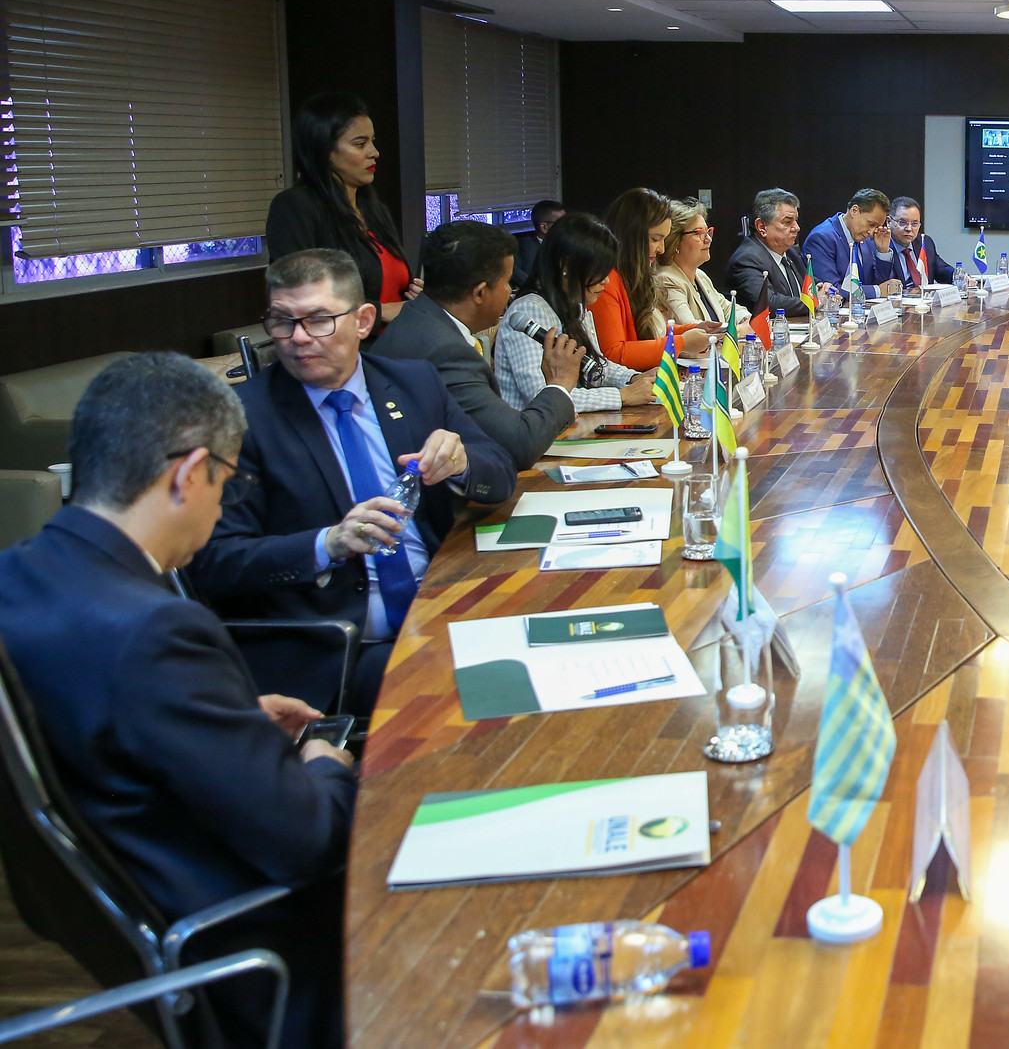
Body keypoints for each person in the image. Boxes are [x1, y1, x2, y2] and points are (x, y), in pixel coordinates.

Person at [0, 354, 356, 1049]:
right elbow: (309, 837)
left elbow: (101, 722)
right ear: (190, 473)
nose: (224, 504)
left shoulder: (18, 575)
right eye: (228, 480)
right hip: (275, 948)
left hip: (143, 913)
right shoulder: (157, 628)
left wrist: (224, 718)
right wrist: (325, 758)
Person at [188, 249, 517, 714]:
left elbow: (500, 469)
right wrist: (328, 543)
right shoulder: (239, 418)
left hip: (447, 605)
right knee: (481, 690)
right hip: (340, 646)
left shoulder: (413, 383)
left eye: (319, 320)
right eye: (282, 322)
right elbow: (215, 561)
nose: (298, 339)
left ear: (363, 321)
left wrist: (462, 463)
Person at [376, 221, 580, 472]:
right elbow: (518, 445)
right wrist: (559, 384)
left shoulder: (417, 319)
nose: (509, 292)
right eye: (507, 283)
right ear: (480, 293)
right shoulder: (445, 351)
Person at [265, 92, 421, 327]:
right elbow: (299, 298)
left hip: (396, 347)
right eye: (360, 144)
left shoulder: (374, 208)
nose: (374, 152)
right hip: (343, 353)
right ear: (324, 150)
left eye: (373, 141)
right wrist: (383, 311)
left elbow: (391, 286)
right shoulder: (295, 207)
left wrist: (416, 296)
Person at [497, 212, 657, 413]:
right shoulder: (529, 310)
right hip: (538, 437)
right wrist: (622, 396)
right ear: (566, 265)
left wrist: (634, 379)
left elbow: (596, 367)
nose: (606, 281)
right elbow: (542, 396)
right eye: (599, 271)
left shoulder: (575, 303)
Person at [592, 187, 709, 369]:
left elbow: (653, 332)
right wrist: (681, 342)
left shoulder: (637, 274)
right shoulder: (604, 282)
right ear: (631, 237)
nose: (661, 249)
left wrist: (695, 330)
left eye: (663, 239)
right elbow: (613, 354)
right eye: (655, 239)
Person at [725, 188, 812, 316]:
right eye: (787, 222)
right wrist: (815, 301)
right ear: (761, 227)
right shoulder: (747, 258)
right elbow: (769, 303)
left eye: (796, 221)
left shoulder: (790, 252)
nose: (796, 228)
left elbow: (807, 280)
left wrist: (822, 286)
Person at [653, 197, 731, 333]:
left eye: (707, 232)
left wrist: (745, 319)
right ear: (675, 241)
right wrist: (738, 331)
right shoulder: (667, 279)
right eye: (698, 233)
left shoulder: (700, 275)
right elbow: (691, 329)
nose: (708, 239)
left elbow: (728, 308)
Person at [801, 188, 898, 298]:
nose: (871, 232)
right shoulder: (821, 238)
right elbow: (830, 290)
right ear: (854, 211)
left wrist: (882, 251)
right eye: (871, 224)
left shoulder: (864, 238)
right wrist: (878, 291)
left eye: (876, 227)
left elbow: (879, 283)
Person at [880, 196, 955, 288]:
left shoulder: (924, 242)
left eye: (914, 224)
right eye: (902, 222)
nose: (909, 229)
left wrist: (960, 277)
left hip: (925, 300)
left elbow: (941, 269)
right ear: (888, 222)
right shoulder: (881, 247)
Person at [512, 199, 565, 289]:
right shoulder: (525, 247)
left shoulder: (569, 246)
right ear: (544, 227)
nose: (566, 227)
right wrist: (539, 287)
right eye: (562, 223)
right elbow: (513, 272)